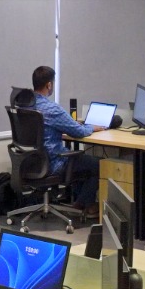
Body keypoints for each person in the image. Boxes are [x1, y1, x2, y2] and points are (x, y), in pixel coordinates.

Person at [29, 65, 100, 217]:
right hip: (54, 163)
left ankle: (80, 203)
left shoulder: (25, 106)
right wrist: (92, 127)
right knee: (98, 164)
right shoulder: (52, 109)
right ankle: (84, 205)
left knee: (81, 161)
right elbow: (79, 132)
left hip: (29, 163)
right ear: (49, 85)